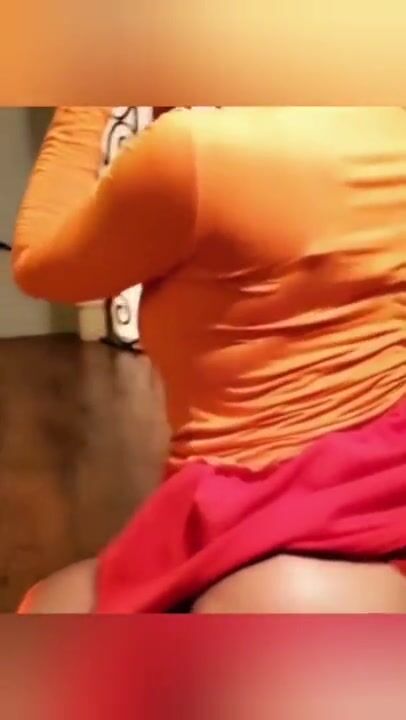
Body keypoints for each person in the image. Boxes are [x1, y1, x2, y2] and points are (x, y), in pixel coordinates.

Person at [14, 106, 406, 614]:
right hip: (382, 471)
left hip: (263, 494)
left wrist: (84, 102)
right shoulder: (387, 119)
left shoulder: (195, 153)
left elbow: (40, 266)